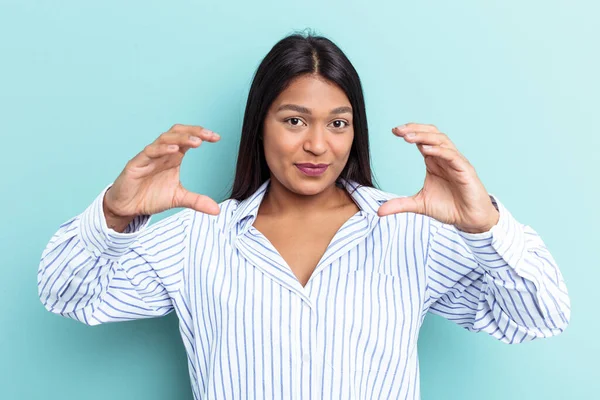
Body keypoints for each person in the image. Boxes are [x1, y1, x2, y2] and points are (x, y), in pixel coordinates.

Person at [37, 33, 570, 400]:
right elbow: (67, 295)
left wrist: (485, 226)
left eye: (338, 123)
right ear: (260, 124)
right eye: (295, 120)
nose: (318, 144)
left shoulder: (410, 235)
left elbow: (539, 317)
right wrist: (114, 212)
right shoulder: (198, 240)